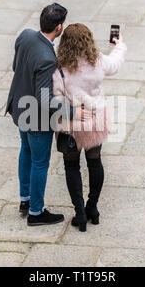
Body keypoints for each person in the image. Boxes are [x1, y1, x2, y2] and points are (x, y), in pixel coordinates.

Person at [5, 3, 92, 226]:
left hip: (18, 107)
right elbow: (45, 100)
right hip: (36, 118)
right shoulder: (47, 59)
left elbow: (17, 66)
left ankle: (25, 199)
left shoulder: (25, 36)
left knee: (25, 151)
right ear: (59, 27)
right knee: (40, 162)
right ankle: (36, 212)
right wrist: (73, 112)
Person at [52, 23, 127, 232]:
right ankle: (92, 207)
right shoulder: (99, 61)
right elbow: (116, 63)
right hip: (95, 121)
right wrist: (119, 43)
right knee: (95, 162)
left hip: (71, 124)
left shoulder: (59, 69)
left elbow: (56, 98)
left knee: (71, 166)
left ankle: (80, 213)